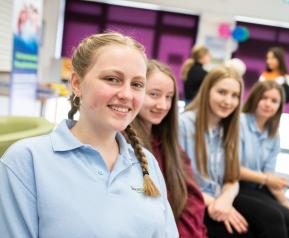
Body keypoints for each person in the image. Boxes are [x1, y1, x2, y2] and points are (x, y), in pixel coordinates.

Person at [0, 32, 178, 238]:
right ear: (76, 83)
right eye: (112, 79)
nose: (127, 94)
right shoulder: (26, 160)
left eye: (137, 84)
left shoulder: (146, 162)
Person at [131, 60, 206, 238]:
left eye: (169, 97)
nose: (163, 105)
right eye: (154, 94)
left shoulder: (169, 145)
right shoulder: (124, 145)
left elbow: (192, 201)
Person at [179, 65, 254, 237]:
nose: (228, 101)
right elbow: (176, 181)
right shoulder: (183, 125)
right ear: (207, 91)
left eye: (234, 96)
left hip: (218, 199)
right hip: (191, 202)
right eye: (222, 92)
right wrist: (214, 202)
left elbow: (232, 177)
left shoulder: (227, 128)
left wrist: (225, 199)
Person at [239, 80, 289, 238]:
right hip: (237, 187)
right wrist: (267, 179)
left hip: (259, 187)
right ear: (255, 98)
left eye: (274, 101)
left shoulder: (273, 134)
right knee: (283, 221)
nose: (268, 104)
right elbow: (232, 170)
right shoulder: (239, 123)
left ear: (279, 106)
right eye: (264, 98)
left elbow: (269, 173)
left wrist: (285, 202)